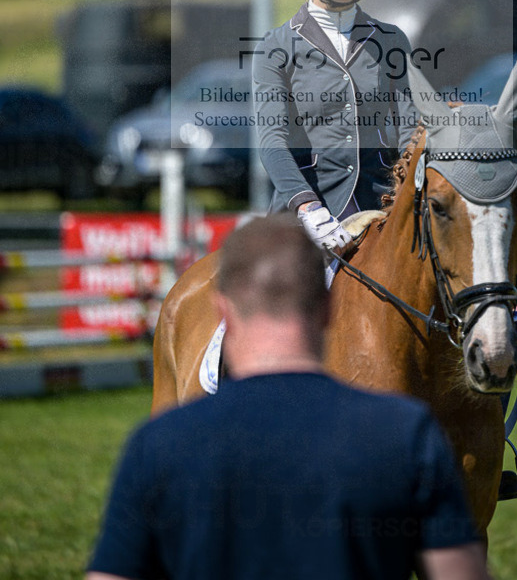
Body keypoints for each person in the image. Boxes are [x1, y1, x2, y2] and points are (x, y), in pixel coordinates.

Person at [86, 214, 491, 580]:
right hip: (317, 218)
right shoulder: (409, 436)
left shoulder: (156, 445)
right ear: (329, 308)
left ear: (222, 311)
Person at [252, 0, 419, 254]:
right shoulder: (275, 48)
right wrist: (307, 206)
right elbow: (272, 141)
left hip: (381, 211)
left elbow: (411, 130)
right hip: (305, 218)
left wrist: (410, 197)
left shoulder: (392, 41)